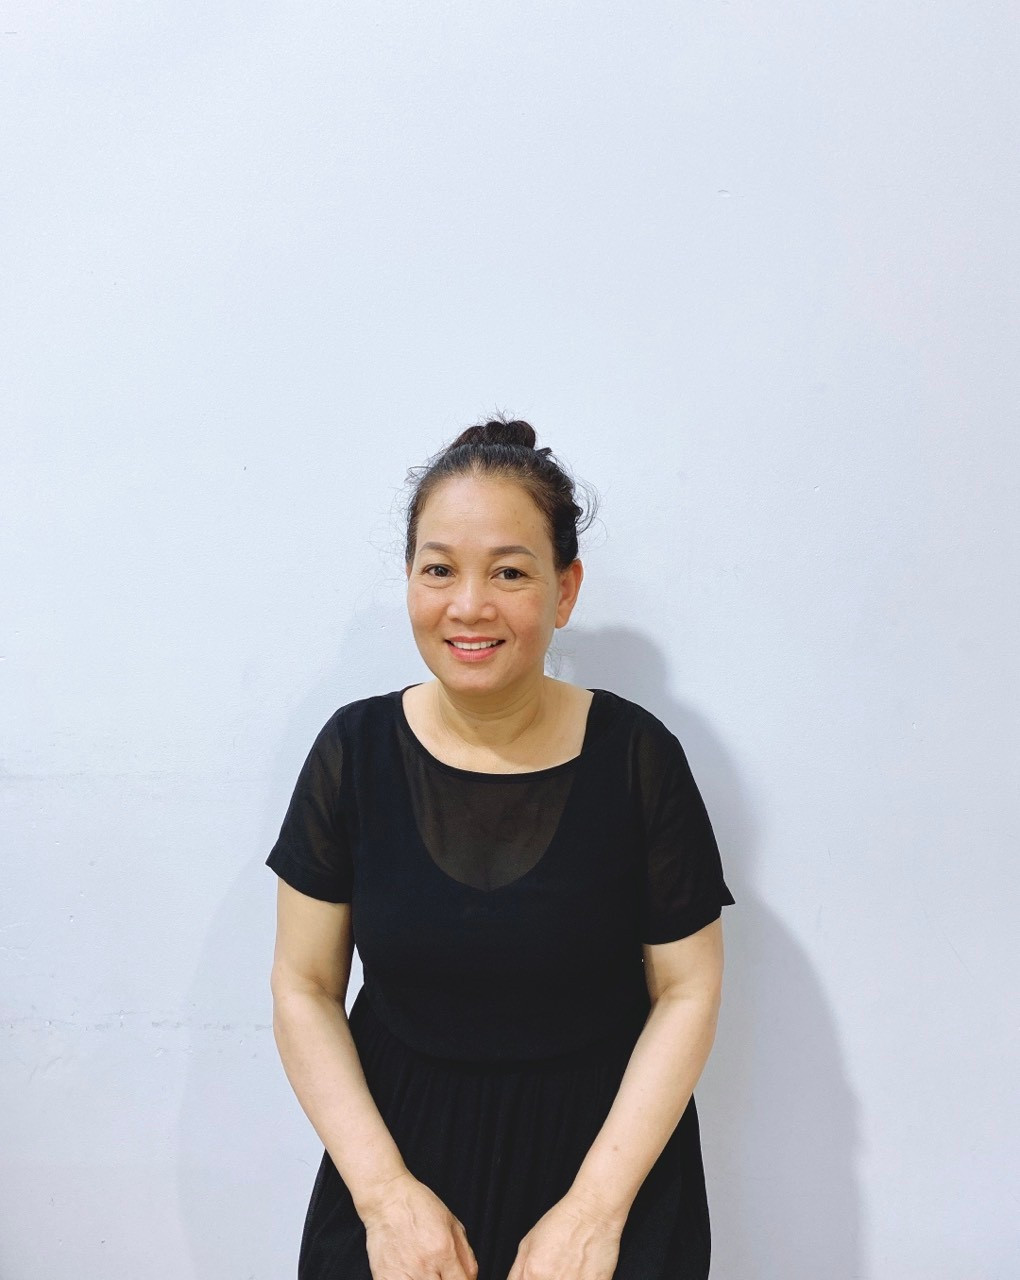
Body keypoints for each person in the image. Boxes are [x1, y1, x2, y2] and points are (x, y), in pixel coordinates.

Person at [265, 417, 735, 1280]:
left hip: (606, 1173)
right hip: (396, 1168)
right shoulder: (353, 752)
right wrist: (385, 1199)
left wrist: (593, 1214)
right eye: (439, 568)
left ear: (565, 590)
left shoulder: (638, 756)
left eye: (510, 572)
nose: (469, 605)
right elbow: (304, 987)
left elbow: (688, 989)